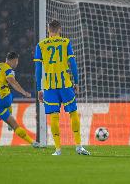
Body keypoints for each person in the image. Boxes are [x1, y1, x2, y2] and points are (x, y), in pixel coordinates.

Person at [34, 20, 90, 155]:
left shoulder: (40, 45)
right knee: (73, 113)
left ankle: (58, 149)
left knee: (54, 116)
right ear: (59, 29)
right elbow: (73, 64)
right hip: (65, 83)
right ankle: (79, 146)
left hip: (49, 86)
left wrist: (38, 89)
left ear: (48, 30)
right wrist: (76, 82)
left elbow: (37, 69)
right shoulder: (65, 42)